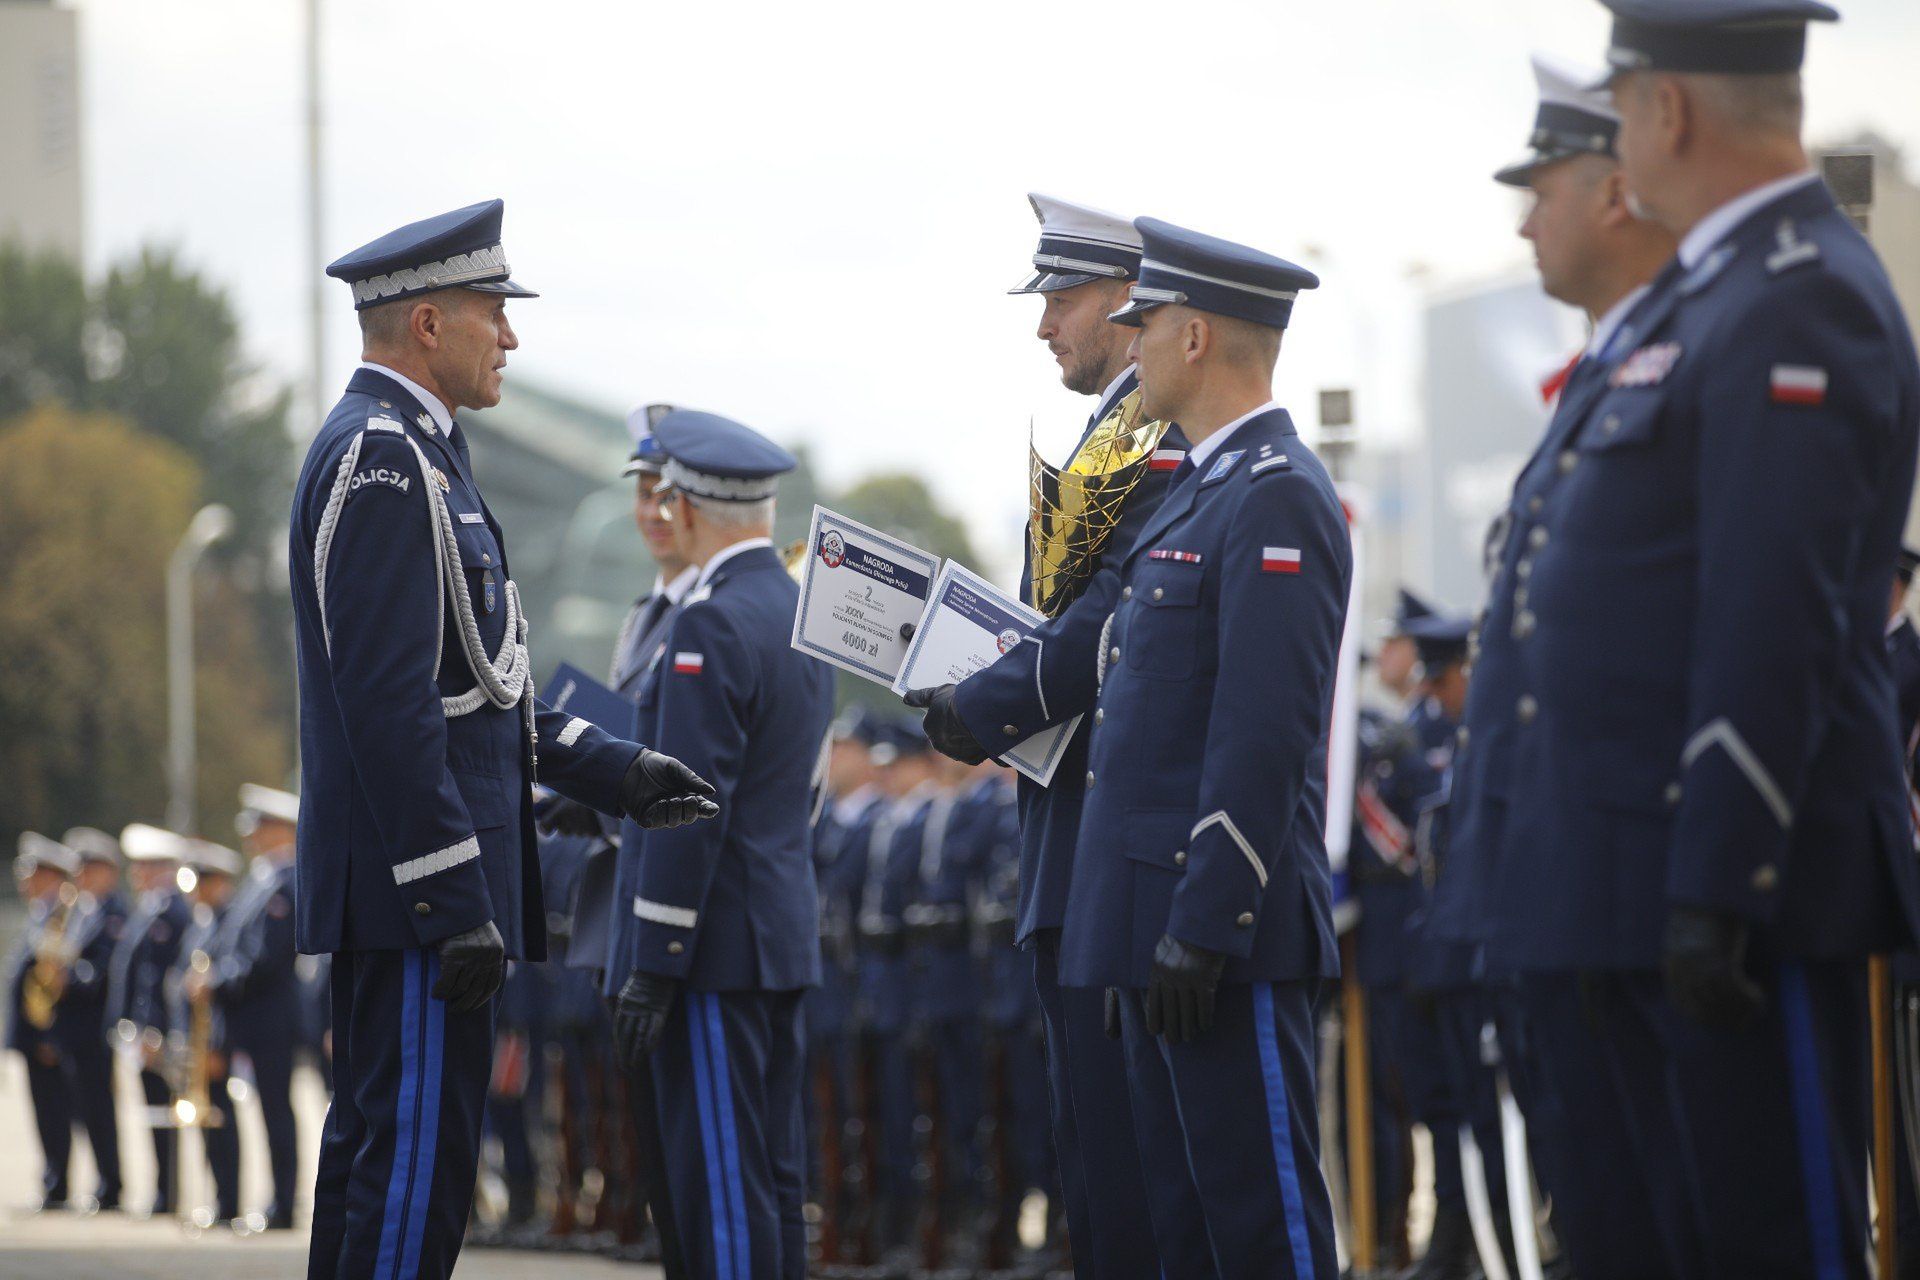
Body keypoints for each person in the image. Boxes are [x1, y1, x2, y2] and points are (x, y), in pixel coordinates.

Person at [1445, 2, 1920, 1274]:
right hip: (1619, 892)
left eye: (1622, 93)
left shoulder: (1801, 292)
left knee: (1762, 1244)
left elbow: (1780, 622)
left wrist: (1719, 882)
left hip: (1731, 898)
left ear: (1666, 110)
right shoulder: (1695, 306)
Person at [290, 198, 718, 1280]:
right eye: (495, 313)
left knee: (389, 1159)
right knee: (412, 1180)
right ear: (428, 323)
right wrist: (449, 897)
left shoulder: (425, 456)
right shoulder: (385, 461)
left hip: (419, 893)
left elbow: (486, 694)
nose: (512, 338)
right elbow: (387, 707)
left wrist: (620, 771)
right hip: (418, 899)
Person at [905, 192, 1196, 1277]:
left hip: (1104, 846)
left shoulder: (1151, 436)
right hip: (1068, 843)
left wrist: (976, 707)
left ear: (1129, 301)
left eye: (1059, 299)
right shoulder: (1110, 430)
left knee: (1130, 1172)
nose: (1044, 325)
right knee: (1095, 1163)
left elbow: (1101, 627)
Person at [1060, 216, 1349, 1277]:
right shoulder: (1198, 487)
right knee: (1185, 1233)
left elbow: (1263, 732)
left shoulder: (1275, 490)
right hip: (1153, 926)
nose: (1127, 345)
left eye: (1144, 325)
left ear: (1194, 338)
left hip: (1220, 934)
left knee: (1259, 1225)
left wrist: (1208, 920)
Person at [603, 409, 836, 1280]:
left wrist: (657, 957)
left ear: (690, 508)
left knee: (719, 1192)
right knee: (771, 1179)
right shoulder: (797, 610)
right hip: (773, 934)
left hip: (708, 948)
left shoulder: (707, 624)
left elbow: (688, 808)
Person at [210, 784, 303, 1229]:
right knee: (262, 1111)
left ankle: (283, 1204)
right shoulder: (263, 880)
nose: (251, 837)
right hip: (250, 1018)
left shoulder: (285, 882)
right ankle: (269, 1201)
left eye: (260, 828)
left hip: (270, 1019)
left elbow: (266, 959)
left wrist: (217, 981)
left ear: (280, 830)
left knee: (275, 1112)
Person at [107, 823, 194, 1218]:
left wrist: (158, 1031)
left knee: (165, 1112)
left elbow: (166, 978)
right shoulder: (150, 908)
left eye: (143, 866)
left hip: (160, 1034)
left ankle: (169, 1193)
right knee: (152, 1113)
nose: (135, 874)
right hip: (144, 1033)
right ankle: (161, 1190)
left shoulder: (174, 911)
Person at [170, 840, 245, 1226]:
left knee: (222, 1120)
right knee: (206, 1121)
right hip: (199, 1042)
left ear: (218, 882)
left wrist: (215, 1046)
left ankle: (229, 1200)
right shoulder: (202, 922)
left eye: (203, 883)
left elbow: (228, 984)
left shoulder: (231, 919)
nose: (197, 892)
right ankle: (218, 1198)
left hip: (219, 1040)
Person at [7, 833, 82, 1212]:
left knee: (55, 1113)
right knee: (42, 1112)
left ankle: (59, 1185)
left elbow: (55, 982)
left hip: (48, 1036)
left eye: (32, 874)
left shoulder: (62, 917)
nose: (25, 883)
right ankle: (52, 1181)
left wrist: (51, 1035)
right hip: (31, 1034)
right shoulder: (40, 915)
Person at [56, 826, 127, 1213]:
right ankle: (102, 1182)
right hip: (74, 1029)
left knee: (100, 1111)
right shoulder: (82, 911)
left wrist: (68, 975)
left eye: (88, 869)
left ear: (107, 871)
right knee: (83, 1111)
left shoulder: (114, 914)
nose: (80, 877)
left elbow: (102, 973)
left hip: (95, 1028)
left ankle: (111, 1185)